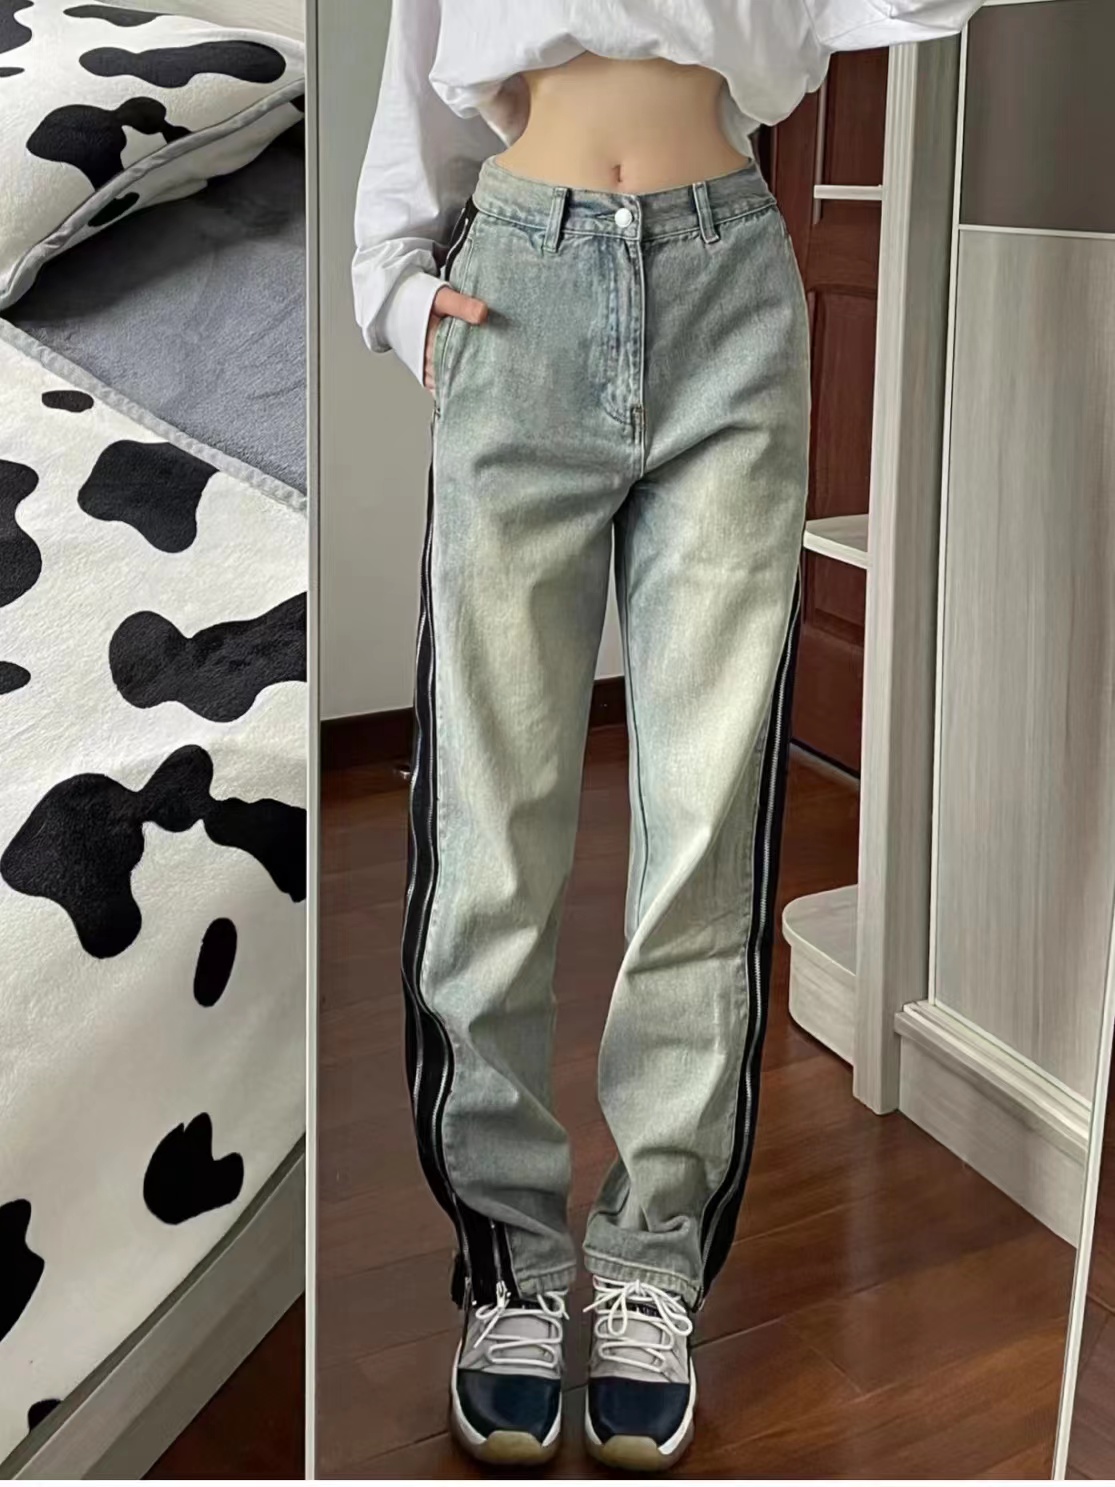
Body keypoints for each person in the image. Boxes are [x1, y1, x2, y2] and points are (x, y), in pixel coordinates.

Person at [353, 1, 983, 1471]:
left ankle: (651, 1265)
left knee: (706, 824)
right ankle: (509, 1263)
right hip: (517, 288)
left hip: (728, 288)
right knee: (490, 825)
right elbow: (416, 69)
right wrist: (395, 291)